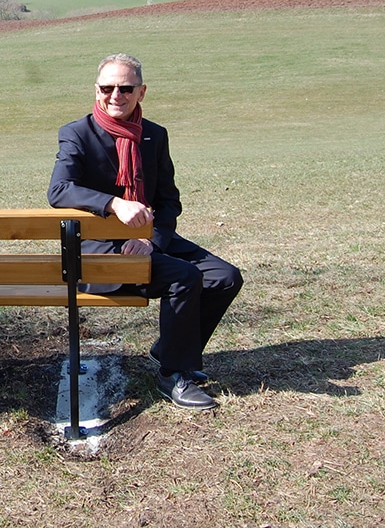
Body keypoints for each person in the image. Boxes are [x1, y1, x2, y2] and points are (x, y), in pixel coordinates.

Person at [47, 54, 243, 411]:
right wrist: (114, 203)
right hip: (95, 254)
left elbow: (168, 201)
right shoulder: (77, 133)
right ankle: (173, 372)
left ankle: (169, 349)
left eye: (125, 88)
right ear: (96, 90)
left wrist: (150, 241)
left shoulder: (154, 135)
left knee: (225, 277)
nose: (115, 96)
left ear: (142, 92)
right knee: (183, 276)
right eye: (107, 88)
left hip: (145, 240)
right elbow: (59, 191)